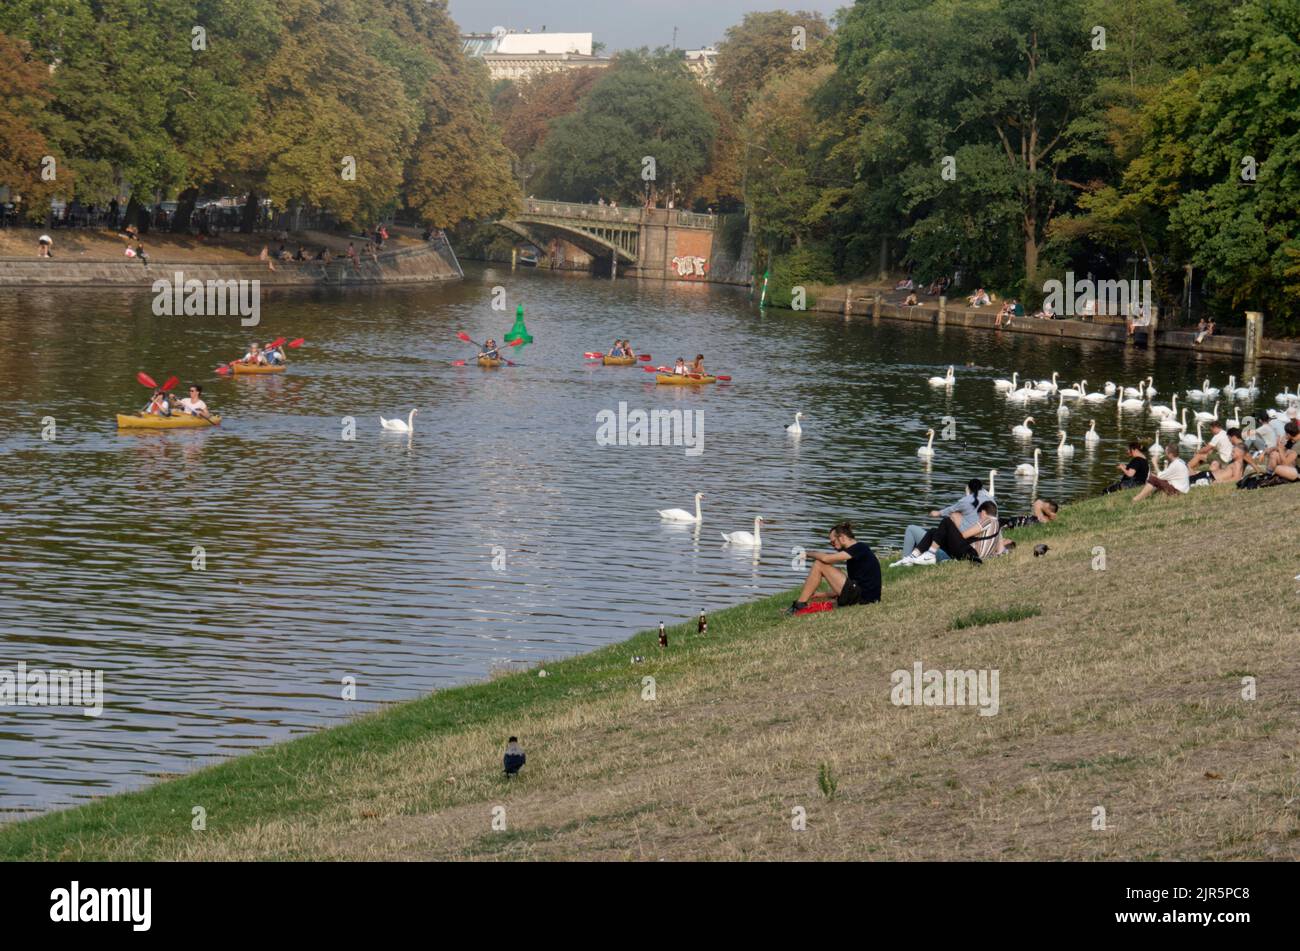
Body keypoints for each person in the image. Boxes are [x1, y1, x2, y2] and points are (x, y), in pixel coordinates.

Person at [787, 521, 881, 615]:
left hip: (864, 598)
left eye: (833, 542)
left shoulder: (859, 547)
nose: (833, 546)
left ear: (842, 538)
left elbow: (826, 559)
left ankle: (799, 606)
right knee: (827, 568)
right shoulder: (855, 552)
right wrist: (824, 595)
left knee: (819, 564)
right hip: (865, 597)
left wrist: (807, 554)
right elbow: (855, 584)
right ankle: (801, 603)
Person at [892, 501, 1008, 566]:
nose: (979, 519)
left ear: (983, 512)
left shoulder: (988, 521)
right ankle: (912, 557)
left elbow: (963, 536)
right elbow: (1000, 549)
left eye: (979, 516)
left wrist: (954, 528)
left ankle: (929, 554)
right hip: (970, 553)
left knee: (946, 521)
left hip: (968, 553)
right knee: (934, 531)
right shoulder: (997, 526)